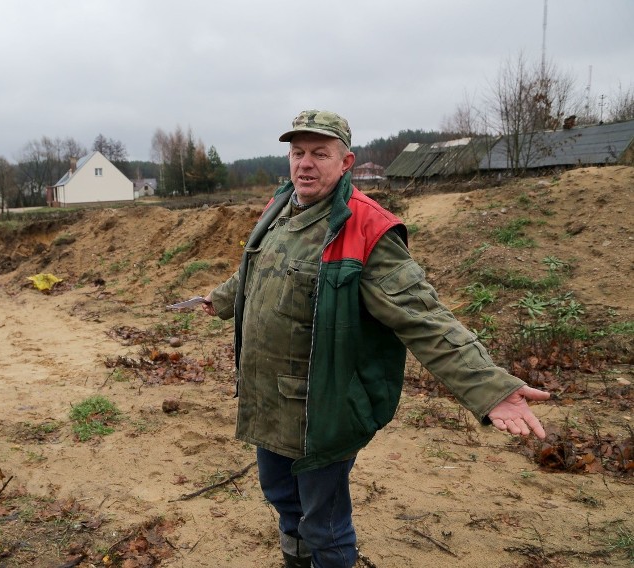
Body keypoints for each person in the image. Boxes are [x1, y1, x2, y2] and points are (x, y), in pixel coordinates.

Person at [201, 110, 550, 568]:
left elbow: (425, 318)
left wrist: (490, 387)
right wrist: (221, 298)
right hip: (268, 400)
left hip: (321, 407)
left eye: (319, 154)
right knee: (283, 498)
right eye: (297, 152)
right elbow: (253, 267)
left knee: (323, 523)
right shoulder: (281, 206)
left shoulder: (366, 230)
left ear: (346, 162)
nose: (304, 164)